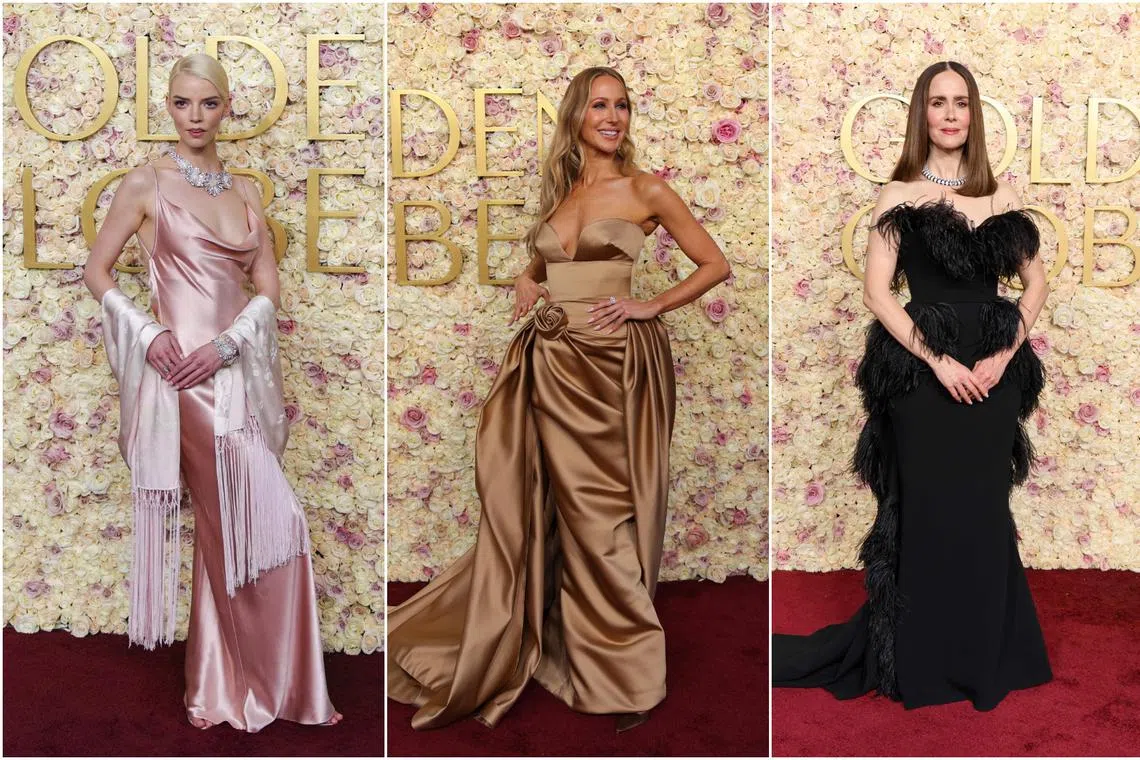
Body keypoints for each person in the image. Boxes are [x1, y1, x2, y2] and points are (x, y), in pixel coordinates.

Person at [388, 66, 731, 732]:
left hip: (610, 371)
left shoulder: (647, 189)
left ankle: (625, 671)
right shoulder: (564, 192)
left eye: (623, 105)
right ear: (576, 115)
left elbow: (715, 264)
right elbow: (553, 263)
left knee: (601, 513)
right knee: (553, 508)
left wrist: (649, 305)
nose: (614, 116)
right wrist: (527, 277)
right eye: (600, 105)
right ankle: (566, 639)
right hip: (551, 364)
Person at [772, 61, 1052, 710]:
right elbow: (878, 293)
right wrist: (940, 362)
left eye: (960, 103)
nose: (950, 114)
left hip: (994, 376)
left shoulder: (1001, 197)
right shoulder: (897, 194)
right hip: (923, 380)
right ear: (920, 115)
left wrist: (1004, 355)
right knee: (928, 514)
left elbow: (1035, 284)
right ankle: (922, 660)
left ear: (973, 114)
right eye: (937, 103)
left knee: (984, 514)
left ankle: (986, 656)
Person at [83, 54, 341, 731]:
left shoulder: (246, 194)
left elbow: (268, 288)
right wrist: (145, 333)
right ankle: (253, 687)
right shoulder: (146, 183)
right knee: (242, 523)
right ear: (167, 107)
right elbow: (97, 270)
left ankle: (228, 684)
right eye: (182, 103)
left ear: (227, 108)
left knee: (252, 524)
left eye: (208, 104)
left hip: (230, 372)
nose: (195, 116)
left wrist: (228, 345)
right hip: (181, 381)